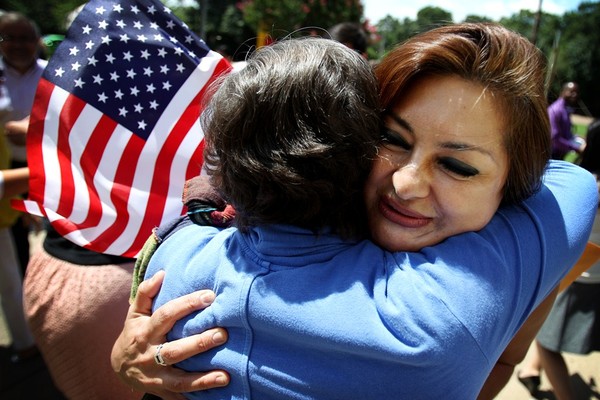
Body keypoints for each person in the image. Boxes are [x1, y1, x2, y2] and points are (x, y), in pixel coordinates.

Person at [110, 24, 598, 399]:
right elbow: (574, 183)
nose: (406, 184)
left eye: (456, 165)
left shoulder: (194, 252)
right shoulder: (460, 302)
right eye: (390, 138)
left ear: (515, 192)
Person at [517, 119, 600, 400]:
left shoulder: (583, 187)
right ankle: (531, 370)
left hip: (578, 278)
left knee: (545, 341)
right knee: (550, 332)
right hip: (592, 277)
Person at [0, 11, 47, 273]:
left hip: (47, 169)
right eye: (10, 37)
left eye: (25, 38)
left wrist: (33, 131)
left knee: (48, 237)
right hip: (7, 172)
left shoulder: (54, 74)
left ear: (36, 40)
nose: (18, 44)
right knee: (13, 244)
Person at [549, 82, 586, 160]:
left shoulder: (565, 109)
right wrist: (576, 148)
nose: (574, 95)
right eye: (571, 91)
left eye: (576, 92)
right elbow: (554, 138)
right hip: (553, 155)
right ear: (563, 91)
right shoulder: (556, 110)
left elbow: (565, 132)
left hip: (560, 154)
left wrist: (577, 137)